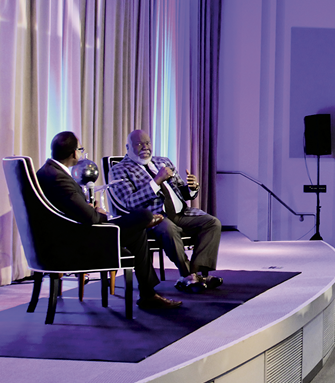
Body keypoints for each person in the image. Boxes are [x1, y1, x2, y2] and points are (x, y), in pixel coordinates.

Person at [38, 131, 181, 309]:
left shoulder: (47, 171)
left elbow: (67, 209)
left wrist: (87, 208)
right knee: (142, 215)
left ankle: (148, 294)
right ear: (74, 153)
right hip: (80, 239)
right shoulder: (59, 177)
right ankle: (148, 292)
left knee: (138, 232)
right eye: (80, 149)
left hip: (75, 231)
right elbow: (91, 218)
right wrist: (100, 212)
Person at [109, 129, 222, 293]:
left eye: (147, 143)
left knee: (212, 223)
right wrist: (156, 181)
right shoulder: (120, 170)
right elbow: (128, 203)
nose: (145, 147)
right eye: (139, 144)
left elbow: (180, 191)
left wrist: (191, 188)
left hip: (180, 213)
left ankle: (197, 274)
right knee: (169, 228)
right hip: (153, 218)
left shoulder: (163, 162)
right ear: (127, 147)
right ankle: (188, 276)